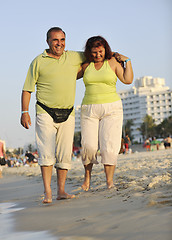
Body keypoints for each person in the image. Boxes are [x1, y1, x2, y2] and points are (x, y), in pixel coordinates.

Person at [20, 27, 85, 203]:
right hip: (45, 111)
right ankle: (48, 191)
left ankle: (61, 191)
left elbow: (94, 54)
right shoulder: (38, 61)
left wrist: (115, 55)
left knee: (64, 154)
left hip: (68, 112)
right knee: (46, 152)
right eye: (55, 40)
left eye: (62, 39)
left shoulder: (73, 57)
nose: (59, 43)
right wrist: (24, 112)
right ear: (47, 41)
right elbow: (27, 89)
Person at [77, 36, 133, 190]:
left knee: (109, 146)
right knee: (88, 146)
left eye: (100, 51)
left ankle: (109, 181)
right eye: (94, 52)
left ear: (105, 49)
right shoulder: (86, 65)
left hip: (112, 109)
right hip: (89, 109)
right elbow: (68, 77)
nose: (97, 55)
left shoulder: (113, 62)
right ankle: (87, 178)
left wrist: (127, 61)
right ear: (89, 52)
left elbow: (127, 80)